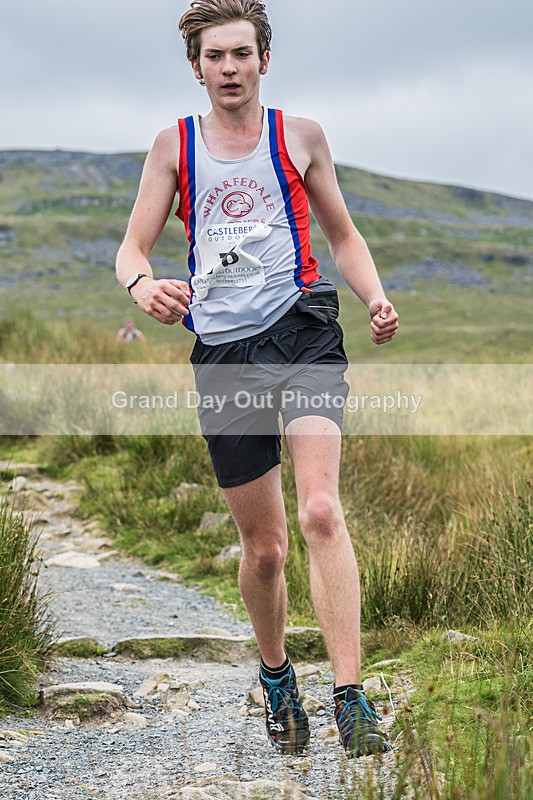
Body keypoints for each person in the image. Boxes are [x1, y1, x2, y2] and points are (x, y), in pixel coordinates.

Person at [116, 0, 399, 758]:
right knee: (265, 547)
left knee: (319, 513)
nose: (230, 68)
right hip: (225, 353)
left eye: (242, 54)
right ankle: (277, 678)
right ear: (196, 67)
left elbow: (341, 232)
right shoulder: (173, 147)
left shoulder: (299, 137)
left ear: (263, 59)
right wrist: (145, 289)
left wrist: (373, 296)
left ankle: (350, 699)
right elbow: (133, 251)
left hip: (304, 331)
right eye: (215, 57)